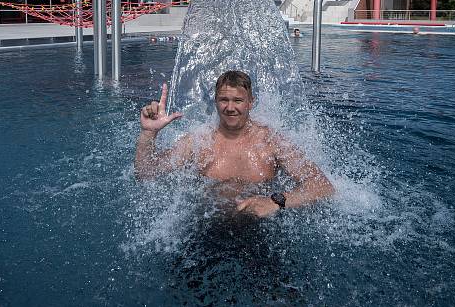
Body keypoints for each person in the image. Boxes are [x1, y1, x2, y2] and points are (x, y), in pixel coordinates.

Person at [135, 71, 334, 217]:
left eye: (238, 100)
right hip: (207, 229)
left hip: (261, 232)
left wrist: (275, 202)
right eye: (224, 100)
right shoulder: (199, 141)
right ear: (215, 102)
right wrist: (148, 133)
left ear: (250, 102)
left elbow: (322, 186)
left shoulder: (271, 142)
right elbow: (146, 173)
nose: (230, 108)